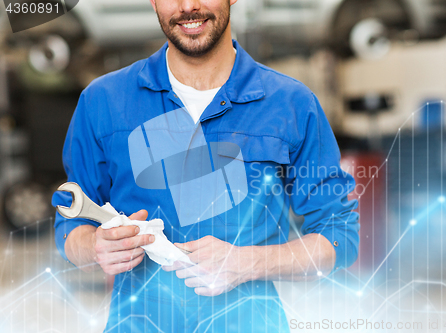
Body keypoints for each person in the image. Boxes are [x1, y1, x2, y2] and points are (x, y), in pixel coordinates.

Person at [52, 0, 360, 331]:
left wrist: (248, 263)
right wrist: (96, 248)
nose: (188, 6)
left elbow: (340, 234)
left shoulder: (291, 104)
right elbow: (71, 228)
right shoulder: (104, 101)